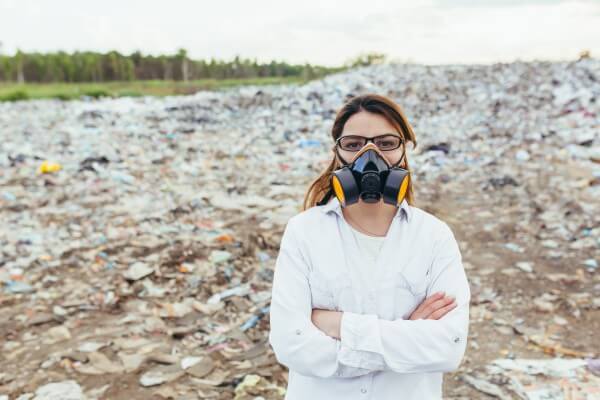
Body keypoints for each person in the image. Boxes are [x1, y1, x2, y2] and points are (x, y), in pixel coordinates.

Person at [268, 93, 471, 400]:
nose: (369, 155)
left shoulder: (433, 236)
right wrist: (407, 333)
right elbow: (291, 345)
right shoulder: (304, 232)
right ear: (338, 153)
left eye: (386, 143)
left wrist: (336, 325)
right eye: (353, 144)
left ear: (404, 150)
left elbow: (447, 347)